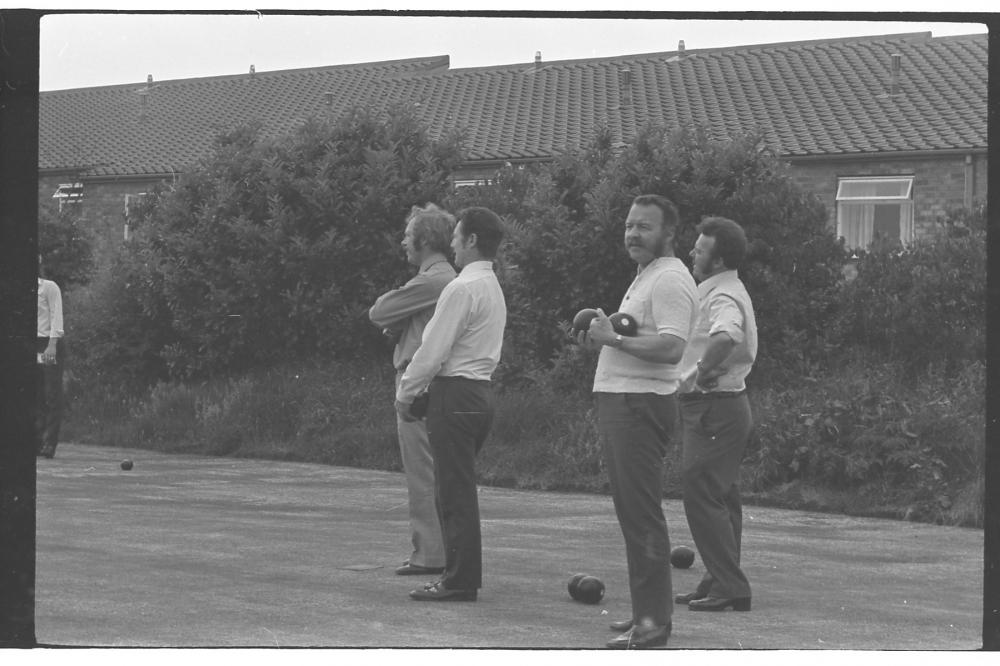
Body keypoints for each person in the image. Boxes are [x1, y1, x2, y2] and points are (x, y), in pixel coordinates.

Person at [577, 194, 697, 649]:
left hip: (639, 405)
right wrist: (611, 336)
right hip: (624, 402)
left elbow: (672, 348)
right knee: (633, 515)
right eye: (629, 225)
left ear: (669, 233)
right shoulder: (647, 276)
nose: (633, 234)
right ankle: (646, 612)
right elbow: (639, 335)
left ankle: (653, 625)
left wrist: (615, 341)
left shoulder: (669, 280)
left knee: (642, 515)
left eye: (644, 227)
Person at [395, 206, 507, 602]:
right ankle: (460, 575)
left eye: (457, 236)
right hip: (480, 394)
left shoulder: (461, 288)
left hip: (454, 395)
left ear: (472, 240)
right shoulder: (491, 285)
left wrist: (406, 393)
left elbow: (431, 351)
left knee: (452, 492)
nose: (453, 244)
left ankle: (459, 580)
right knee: (458, 489)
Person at [368, 204, 457, 577]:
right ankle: (440, 549)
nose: (404, 242)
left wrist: (398, 320)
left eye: (408, 236)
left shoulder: (432, 280)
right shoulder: (446, 279)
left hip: (419, 383)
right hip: (437, 382)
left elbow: (380, 311)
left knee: (423, 470)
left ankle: (431, 554)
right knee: (436, 470)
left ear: (424, 240)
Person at [675, 216, 758, 613]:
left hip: (713, 407)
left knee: (702, 492)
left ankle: (729, 585)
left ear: (719, 258)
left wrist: (699, 372)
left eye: (701, 248)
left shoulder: (721, 295)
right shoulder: (726, 287)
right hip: (726, 407)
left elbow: (727, 335)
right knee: (722, 496)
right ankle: (718, 578)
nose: (693, 252)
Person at [37, 254, 65, 459]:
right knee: (32, 393)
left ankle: (49, 443)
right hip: (30, 343)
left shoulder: (49, 287)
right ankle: (35, 441)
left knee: (51, 394)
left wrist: (52, 345)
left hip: (48, 343)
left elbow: (56, 316)